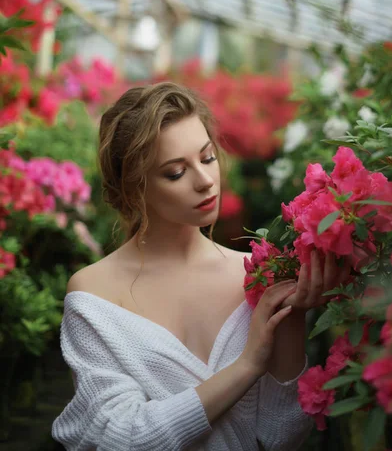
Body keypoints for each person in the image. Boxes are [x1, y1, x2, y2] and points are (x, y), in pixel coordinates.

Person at [52, 81, 349, 451]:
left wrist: (291, 317)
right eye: (176, 173)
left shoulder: (257, 273)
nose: (206, 180)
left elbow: (279, 437)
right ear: (134, 188)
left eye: (207, 158)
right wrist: (246, 366)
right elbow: (123, 438)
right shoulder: (94, 296)